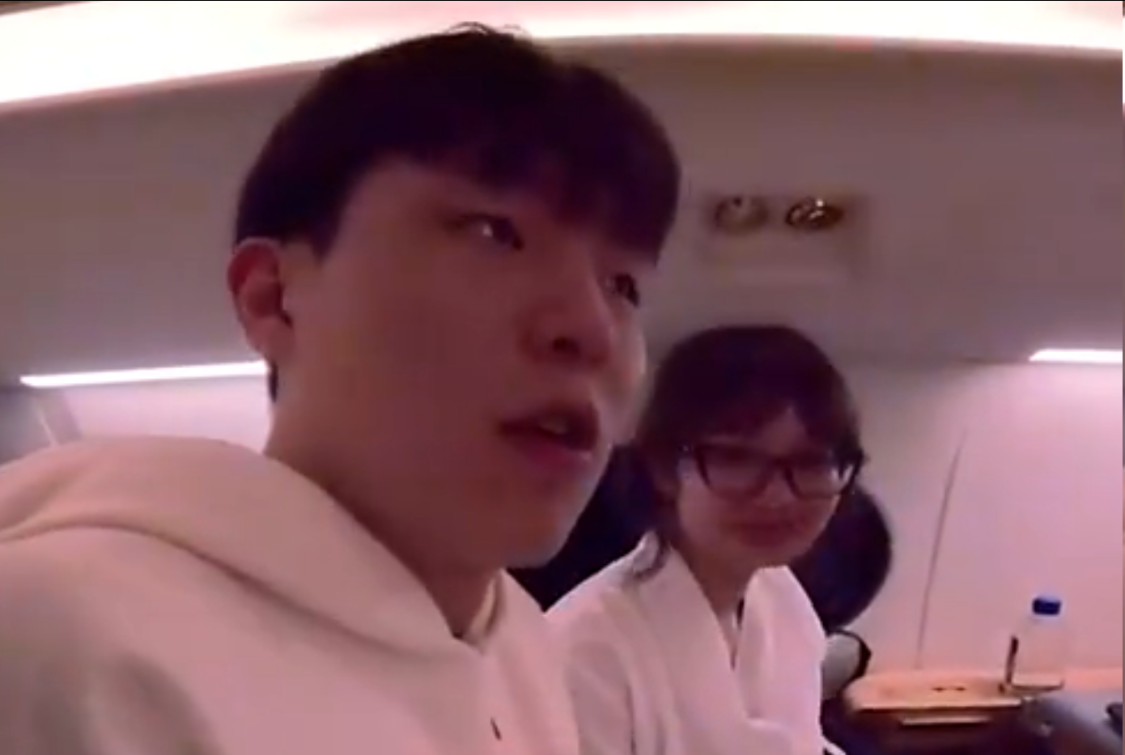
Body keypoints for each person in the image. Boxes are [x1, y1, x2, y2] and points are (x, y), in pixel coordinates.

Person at [0, 25, 680, 755]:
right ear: (273, 298)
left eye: (623, 285)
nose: (592, 329)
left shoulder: (520, 640)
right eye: (494, 232)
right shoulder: (66, 638)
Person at [548, 325, 867, 755]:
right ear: (664, 469)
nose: (777, 495)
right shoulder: (586, 649)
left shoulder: (783, 601)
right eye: (736, 459)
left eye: (810, 463)